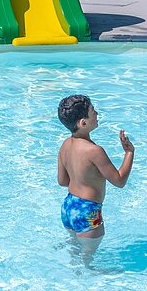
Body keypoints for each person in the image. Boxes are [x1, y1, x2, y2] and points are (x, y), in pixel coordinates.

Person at [56, 94, 135, 252]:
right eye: (93, 112)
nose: (97, 114)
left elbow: (62, 181)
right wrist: (129, 153)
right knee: (88, 260)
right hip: (88, 212)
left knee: (74, 250)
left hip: (68, 207)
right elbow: (119, 181)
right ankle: (89, 271)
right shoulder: (94, 151)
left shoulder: (65, 145)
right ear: (83, 122)